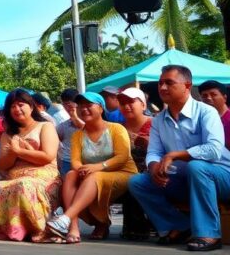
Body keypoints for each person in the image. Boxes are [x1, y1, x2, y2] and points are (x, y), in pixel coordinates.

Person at [127, 65, 230, 252]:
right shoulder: (158, 120)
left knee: (197, 167)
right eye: (160, 83)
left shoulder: (206, 112)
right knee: (138, 182)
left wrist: (174, 155)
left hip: (222, 178)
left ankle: (209, 234)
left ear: (187, 86)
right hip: (186, 180)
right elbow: (154, 152)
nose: (162, 87)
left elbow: (214, 150)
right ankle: (180, 226)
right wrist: (154, 167)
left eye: (169, 83)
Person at [47, 92, 136, 243]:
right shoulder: (78, 136)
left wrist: (99, 166)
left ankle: (66, 218)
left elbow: (123, 157)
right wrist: (82, 169)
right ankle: (73, 226)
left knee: (94, 177)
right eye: (80, 106)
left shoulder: (116, 129)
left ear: (101, 108)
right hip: (91, 174)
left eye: (89, 105)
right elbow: (75, 161)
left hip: (122, 172)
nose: (84, 109)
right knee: (70, 175)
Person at [0, 89, 61, 242]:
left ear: (32, 106)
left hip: (43, 175)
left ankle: (40, 229)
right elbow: (2, 165)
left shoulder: (45, 126)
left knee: (24, 184)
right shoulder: (8, 134)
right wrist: (13, 153)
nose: (16, 109)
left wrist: (18, 151)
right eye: (12, 107)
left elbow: (47, 156)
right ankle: (13, 229)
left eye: (21, 105)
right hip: (14, 176)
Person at [117, 86, 153, 241]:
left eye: (131, 102)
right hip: (124, 171)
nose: (126, 106)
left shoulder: (156, 124)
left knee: (134, 181)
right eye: (123, 103)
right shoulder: (118, 128)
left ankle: (138, 228)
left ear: (143, 105)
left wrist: (149, 144)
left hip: (151, 170)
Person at [55, 88, 84, 177]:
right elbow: (55, 140)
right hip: (67, 161)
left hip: (86, 161)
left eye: (69, 105)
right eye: (65, 105)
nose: (67, 108)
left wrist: (75, 118)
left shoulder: (89, 121)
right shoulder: (63, 126)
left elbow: (89, 130)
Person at [198, 80, 230, 149]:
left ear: (224, 97)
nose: (208, 98)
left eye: (213, 94)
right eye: (204, 95)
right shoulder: (200, 119)